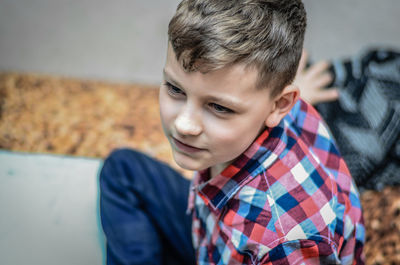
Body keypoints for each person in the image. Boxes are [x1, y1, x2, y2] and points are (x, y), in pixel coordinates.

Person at [99, 0, 365, 264]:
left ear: (279, 106)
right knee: (122, 170)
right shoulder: (271, 105)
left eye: (218, 107)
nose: (184, 125)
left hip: (251, 241)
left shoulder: (283, 240)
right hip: (212, 235)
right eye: (175, 89)